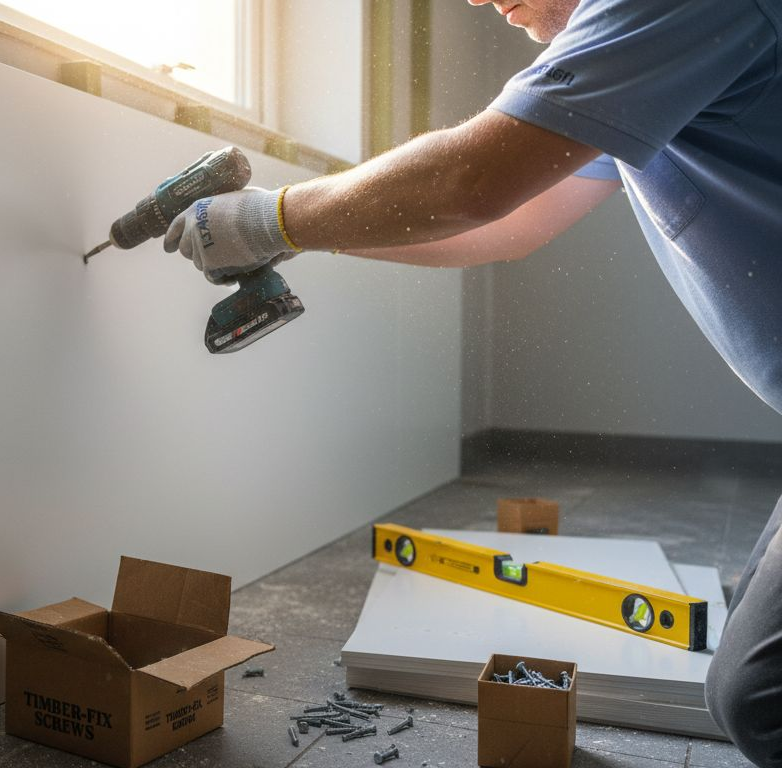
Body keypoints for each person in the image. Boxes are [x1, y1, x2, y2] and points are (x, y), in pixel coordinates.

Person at [164, 0, 782, 763]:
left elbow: (468, 183)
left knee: (764, 702)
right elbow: (503, 224)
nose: (480, 0)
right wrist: (297, 237)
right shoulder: (630, 46)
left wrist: (272, 218)